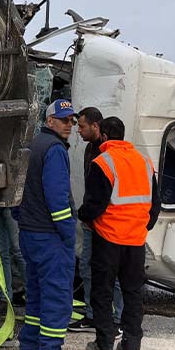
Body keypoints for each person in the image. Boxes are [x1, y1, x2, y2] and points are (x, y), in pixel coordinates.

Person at [78, 116, 160, 350]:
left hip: (108, 239)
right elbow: (155, 205)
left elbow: (94, 204)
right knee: (133, 292)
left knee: (102, 291)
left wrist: (83, 217)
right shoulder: (144, 162)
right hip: (136, 241)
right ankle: (131, 347)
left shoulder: (103, 162)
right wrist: (142, 226)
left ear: (103, 135)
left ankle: (104, 346)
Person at [16, 99, 81, 350]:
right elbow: (58, 199)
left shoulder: (33, 145)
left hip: (29, 234)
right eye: (64, 120)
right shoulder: (54, 149)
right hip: (50, 237)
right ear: (50, 121)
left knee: (36, 298)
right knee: (57, 299)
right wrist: (68, 234)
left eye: (72, 121)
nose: (69, 125)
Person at [70, 108, 121, 331]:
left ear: (96, 126)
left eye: (81, 126)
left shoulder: (112, 153)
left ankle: (119, 319)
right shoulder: (90, 149)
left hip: (110, 224)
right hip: (92, 222)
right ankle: (92, 315)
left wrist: (85, 213)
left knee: (114, 272)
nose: (78, 131)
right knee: (87, 268)